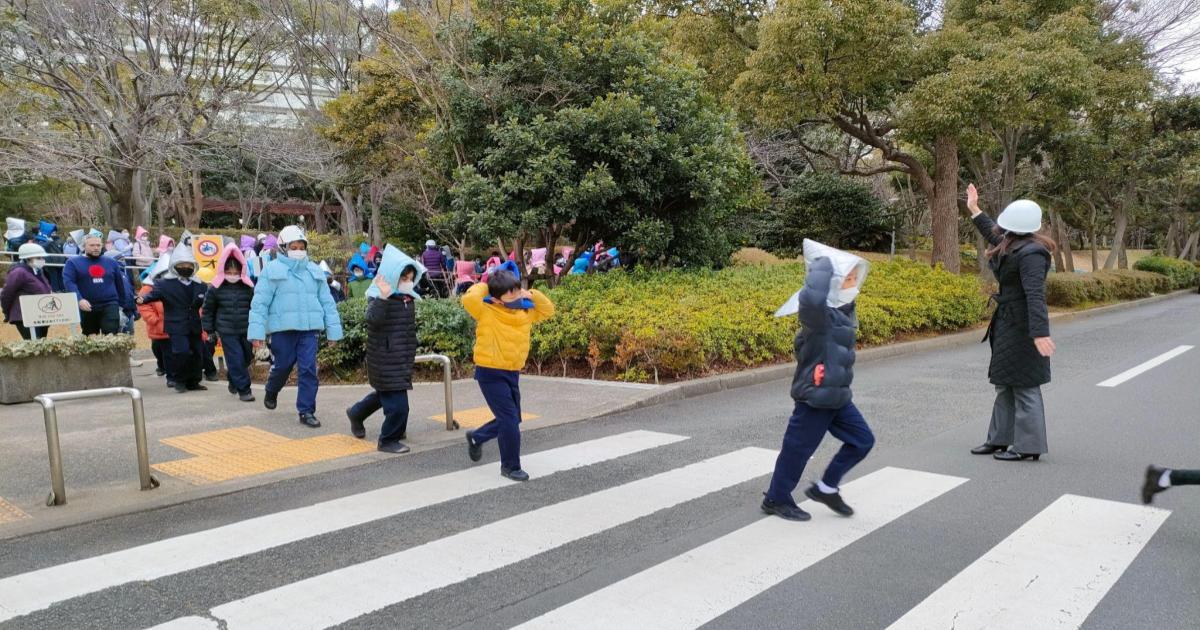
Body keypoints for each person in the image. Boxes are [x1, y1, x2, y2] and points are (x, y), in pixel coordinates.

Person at [761, 239, 874, 522]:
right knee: (798, 451)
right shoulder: (819, 317)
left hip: (837, 397)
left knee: (862, 441)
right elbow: (811, 298)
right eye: (847, 277)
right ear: (834, 280)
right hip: (815, 396)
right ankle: (776, 498)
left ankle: (826, 488)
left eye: (854, 277)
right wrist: (823, 265)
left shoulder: (843, 311)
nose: (853, 282)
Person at [965, 184, 1055, 462]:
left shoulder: (1033, 253)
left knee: (1025, 385)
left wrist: (1039, 334)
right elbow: (991, 231)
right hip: (1008, 322)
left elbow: (1035, 295)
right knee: (1005, 383)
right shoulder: (1012, 241)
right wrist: (974, 208)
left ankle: (1028, 446)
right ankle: (999, 439)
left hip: (1024, 327)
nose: (1001, 229)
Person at [461, 262, 555, 481]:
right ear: (496, 297)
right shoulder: (486, 310)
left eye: (516, 291)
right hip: (490, 373)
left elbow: (548, 310)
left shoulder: (525, 312)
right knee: (509, 419)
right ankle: (510, 466)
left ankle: (477, 437)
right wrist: (487, 284)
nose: (515, 297)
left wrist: (530, 293)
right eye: (509, 294)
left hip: (512, 372)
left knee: (513, 418)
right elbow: (469, 299)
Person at [249, 225, 344, 428]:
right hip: (283, 330)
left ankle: (306, 410)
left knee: (308, 369)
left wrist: (333, 332)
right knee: (282, 365)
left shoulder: (314, 270)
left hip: (309, 330)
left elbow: (328, 303)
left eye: (302, 246)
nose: (299, 250)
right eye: (294, 246)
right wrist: (257, 333)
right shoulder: (272, 270)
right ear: (283, 247)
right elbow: (259, 304)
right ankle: (272, 389)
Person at [346, 246, 425, 453]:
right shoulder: (378, 296)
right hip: (385, 359)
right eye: (403, 277)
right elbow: (372, 320)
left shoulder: (406, 298)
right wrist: (382, 297)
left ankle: (356, 413)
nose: (407, 281)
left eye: (410, 277)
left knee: (384, 395)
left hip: (400, 357)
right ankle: (388, 439)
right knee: (398, 406)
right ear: (392, 276)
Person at [137, 244, 208, 393]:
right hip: (176, 325)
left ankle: (194, 381)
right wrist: (140, 300)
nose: (185, 267)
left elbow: (207, 303)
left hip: (194, 324)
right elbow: (151, 296)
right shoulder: (164, 284)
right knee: (180, 352)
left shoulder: (200, 284)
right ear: (174, 266)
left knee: (197, 352)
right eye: (181, 264)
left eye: (189, 264)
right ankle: (179, 380)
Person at [202, 244, 257, 402]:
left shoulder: (248, 287)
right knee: (236, 359)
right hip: (227, 330)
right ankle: (244, 390)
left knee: (246, 358)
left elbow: (255, 307)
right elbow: (208, 310)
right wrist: (209, 330)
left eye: (235, 272)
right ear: (223, 271)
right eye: (229, 272)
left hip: (246, 329)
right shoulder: (215, 288)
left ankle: (233, 377)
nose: (232, 275)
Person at [64, 233, 135, 335]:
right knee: (91, 337)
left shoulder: (111, 262)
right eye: (92, 245)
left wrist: (121, 305)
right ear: (84, 246)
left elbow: (119, 284)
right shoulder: (73, 263)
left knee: (111, 335)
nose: (96, 248)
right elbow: (69, 282)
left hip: (110, 304)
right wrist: (79, 299)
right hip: (87, 306)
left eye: (98, 245)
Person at [1, 242, 52, 339]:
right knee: (33, 345)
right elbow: (7, 293)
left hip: (40, 314)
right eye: (38, 258)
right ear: (27, 258)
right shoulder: (18, 272)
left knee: (42, 343)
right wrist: (6, 311)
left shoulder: (37, 270)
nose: (42, 260)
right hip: (24, 316)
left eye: (42, 258)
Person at [138, 254, 172, 381]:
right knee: (158, 348)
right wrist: (154, 319)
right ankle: (161, 366)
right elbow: (143, 306)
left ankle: (171, 373)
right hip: (157, 327)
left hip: (172, 325)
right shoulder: (147, 289)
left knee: (171, 352)